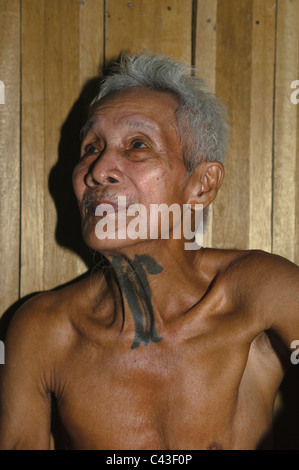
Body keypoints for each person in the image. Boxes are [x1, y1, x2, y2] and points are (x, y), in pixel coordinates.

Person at [0, 54, 298, 450]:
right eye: (91, 147)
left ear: (202, 186)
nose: (98, 169)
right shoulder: (43, 332)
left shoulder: (260, 292)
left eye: (137, 145)